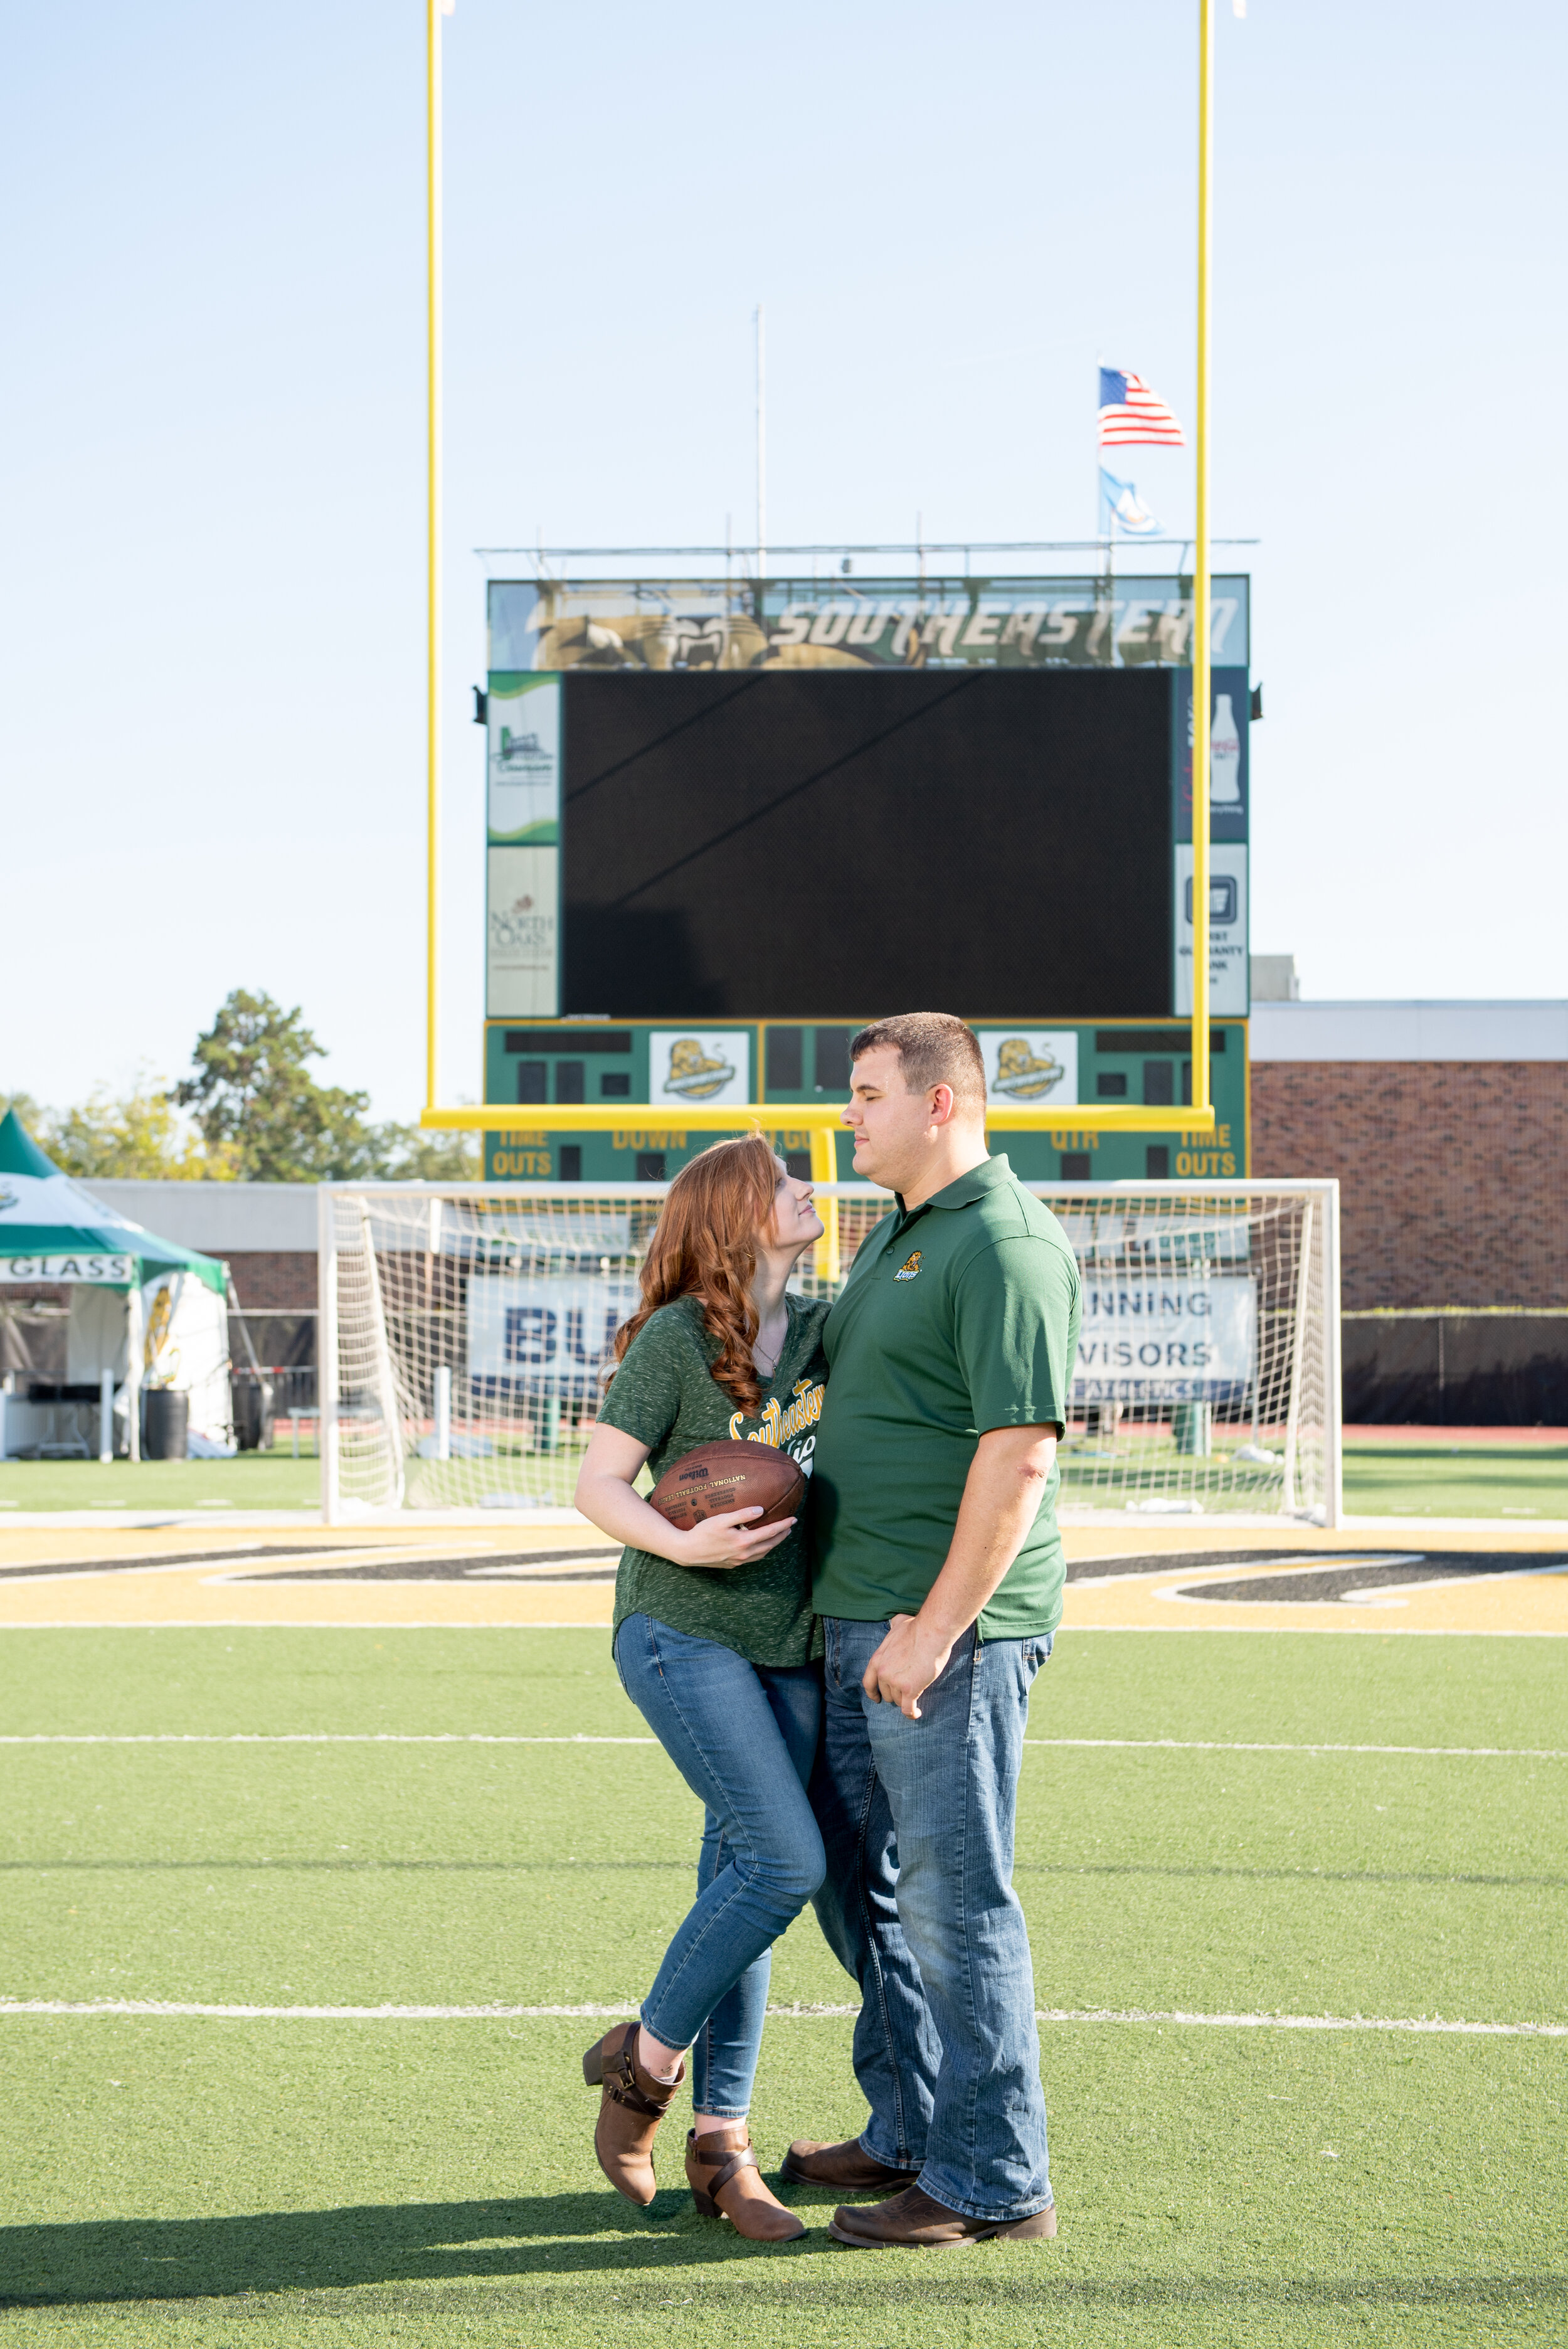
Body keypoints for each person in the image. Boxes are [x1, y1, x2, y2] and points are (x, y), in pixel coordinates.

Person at [783, 1012, 1081, 2249]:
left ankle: (994, 2181)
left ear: (939, 1102)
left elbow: (1016, 1458)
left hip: (939, 1636)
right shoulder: (895, 1237)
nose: (847, 1115)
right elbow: (811, 1388)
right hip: (852, 1618)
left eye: (864, 1094)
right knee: (860, 1888)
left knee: (955, 1905)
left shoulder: (1003, 1243)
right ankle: (909, 2125)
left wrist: (932, 1630)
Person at [573, 1132, 830, 2244]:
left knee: (743, 1880)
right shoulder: (679, 1338)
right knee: (786, 1859)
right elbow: (596, 1484)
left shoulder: (824, 1330)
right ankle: (643, 2071)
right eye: (787, 1181)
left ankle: (722, 2145)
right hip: (681, 1629)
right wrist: (683, 1550)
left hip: (791, 1638)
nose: (811, 1189)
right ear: (737, 1213)